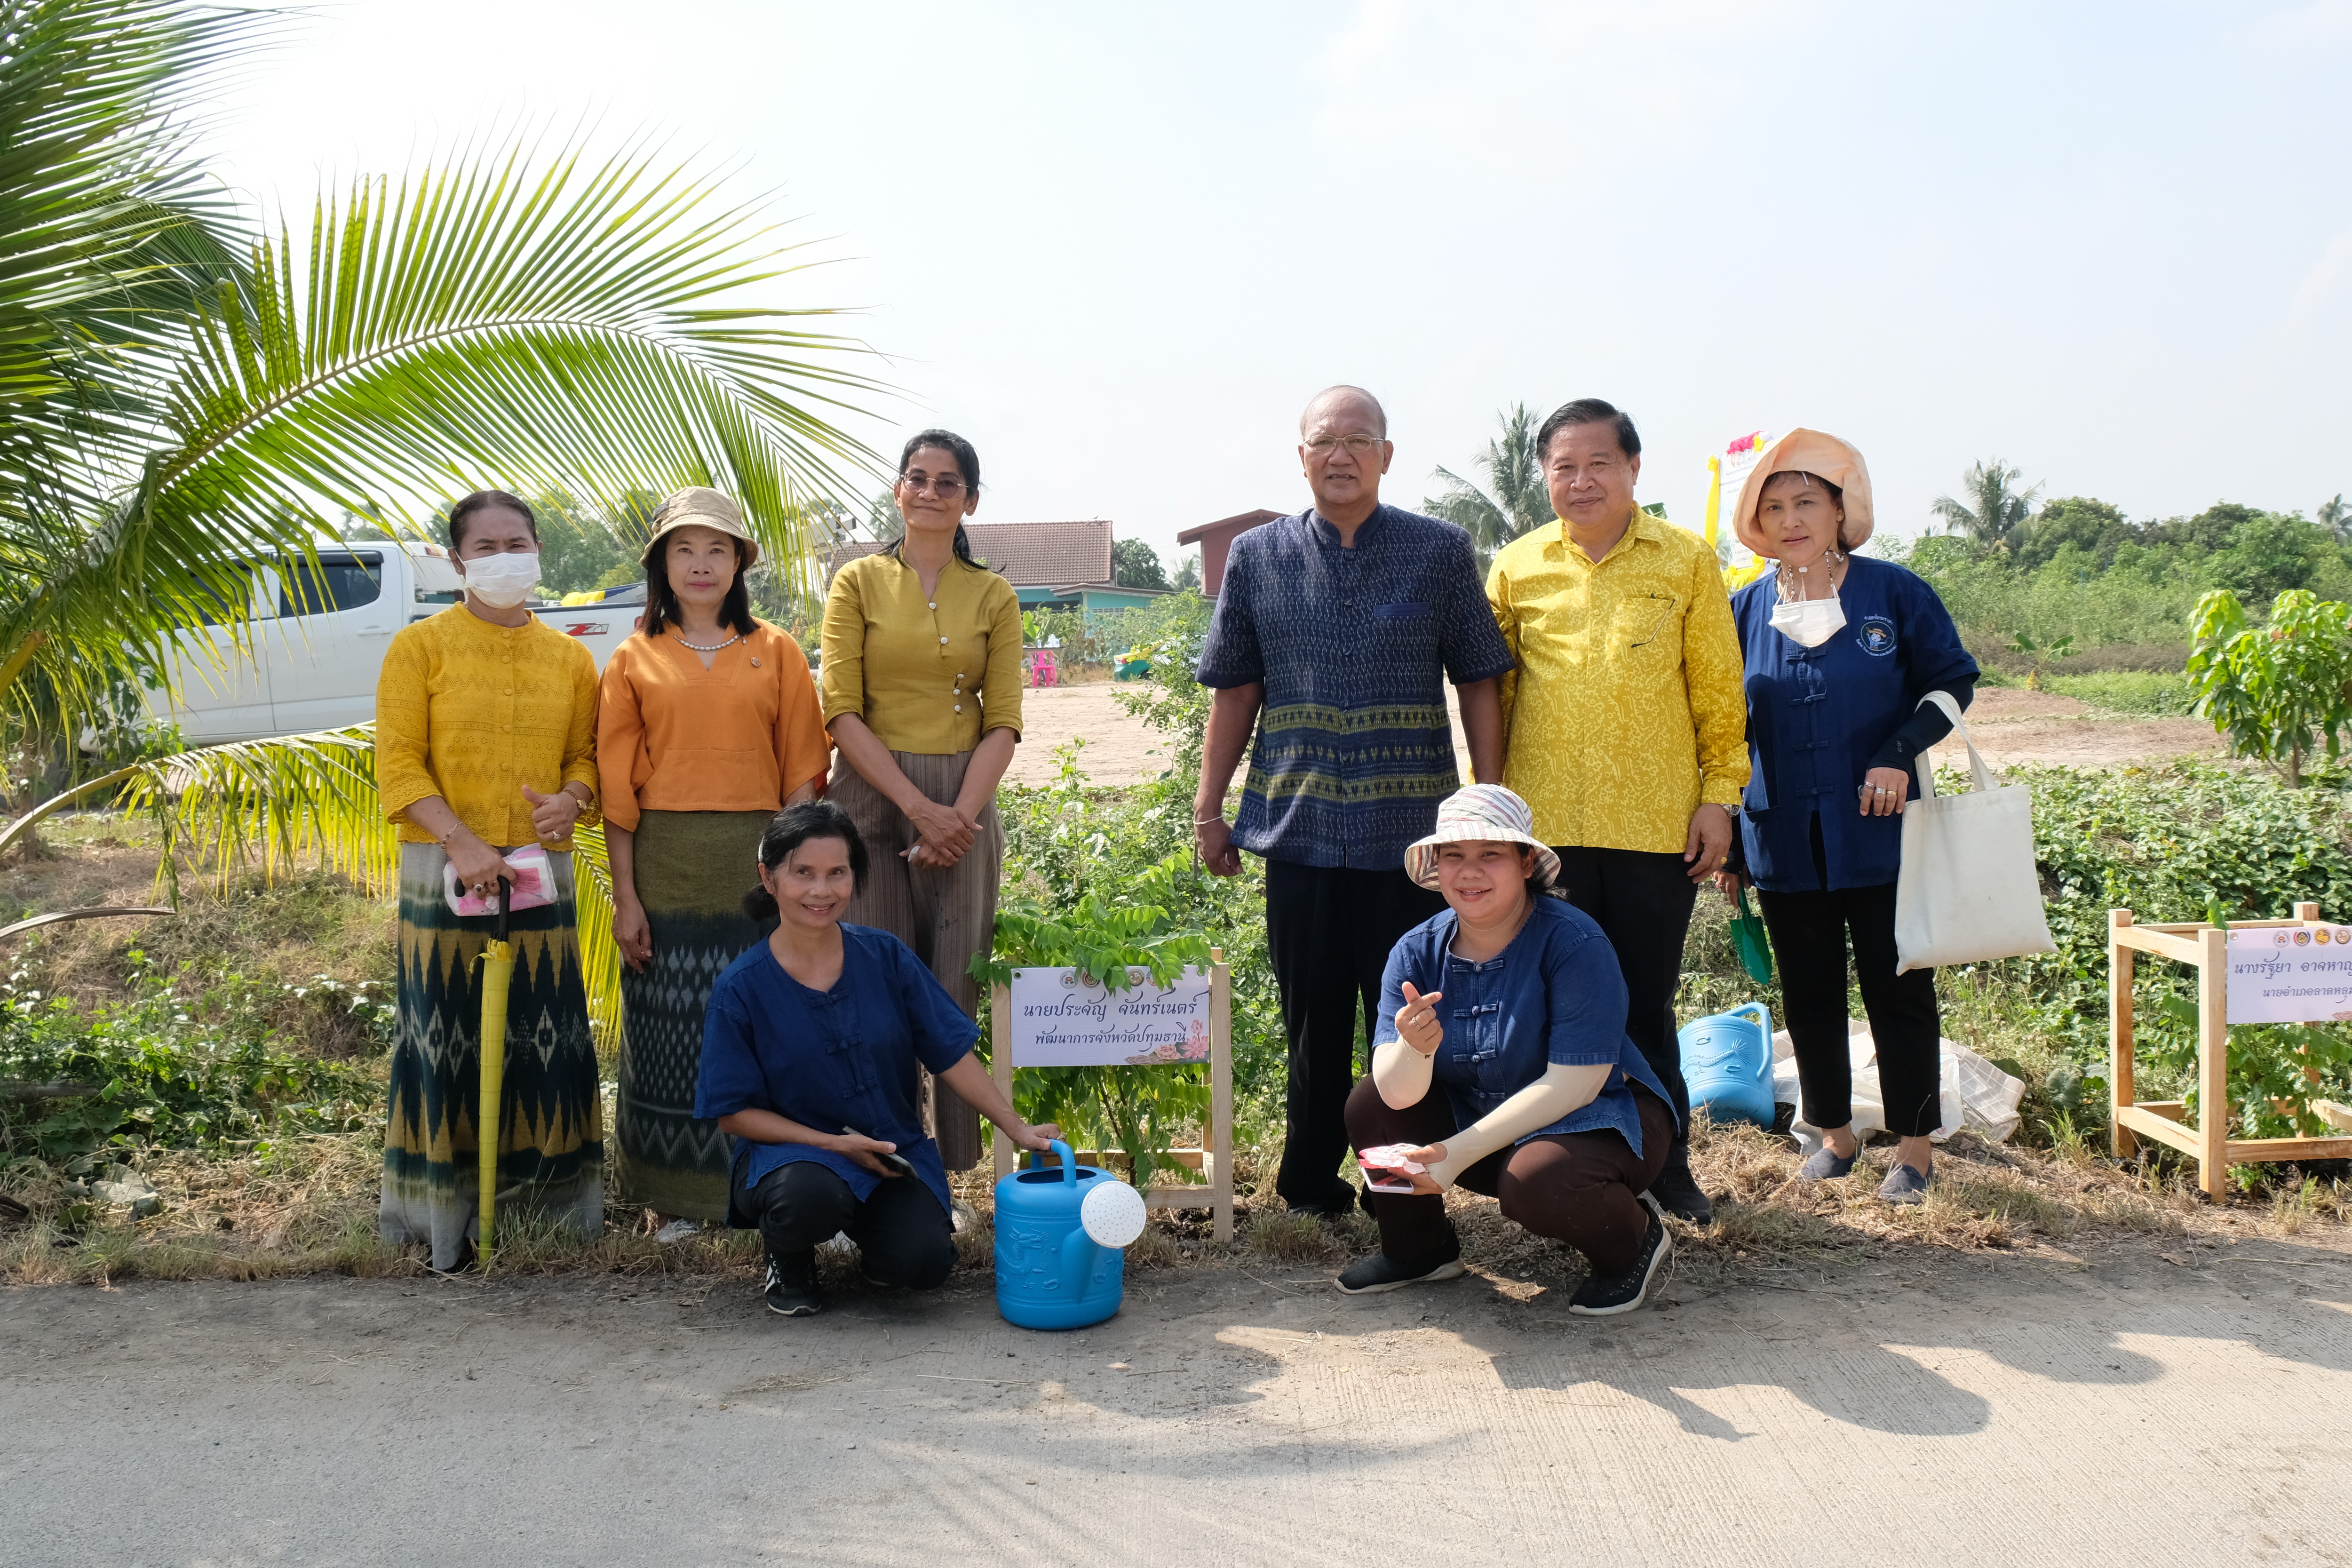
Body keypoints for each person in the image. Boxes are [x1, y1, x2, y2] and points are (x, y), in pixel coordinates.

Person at [1195, 386, 1515, 1219]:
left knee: (1405, 1017)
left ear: (1386, 454)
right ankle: (1306, 1181)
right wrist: (1209, 809)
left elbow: (1479, 676)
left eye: (1358, 440)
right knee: (1313, 1017)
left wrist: (1485, 799)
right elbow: (1234, 691)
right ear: (1300, 456)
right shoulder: (1258, 556)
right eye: (1323, 441)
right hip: (1297, 831)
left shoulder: (1439, 550)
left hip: (1410, 838)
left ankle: (1396, 1184)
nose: (1340, 454)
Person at [1484, 398, 1748, 1223]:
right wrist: (1492, 818)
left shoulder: (1686, 561)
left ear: (1634, 468)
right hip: (1546, 831)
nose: (1582, 479)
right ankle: (1555, 1166)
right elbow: (1493, 694)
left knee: (1644, 1001)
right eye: (1563, 466)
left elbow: (1716, 688)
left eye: (1599, 462)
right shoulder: (1517, 567)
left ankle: (1669, 1169)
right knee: (1556, 1005)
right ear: (1544, 478)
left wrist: (1720, 797)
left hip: (1654, 826)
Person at [1715, 430, 1979, 1204]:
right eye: (1774, 506)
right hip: (1782, 838)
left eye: (1806, 502)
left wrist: (1900, 750)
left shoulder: (1894, 594)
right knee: (1810, 992)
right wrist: (1729, 837)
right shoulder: (1742, 611)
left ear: (1839, 510)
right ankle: (1832, 1136)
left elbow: (1952, 682)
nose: (1791, 518)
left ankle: (1916, 1149)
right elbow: (1723, 728)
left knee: (1900, 988)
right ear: (1757, 522)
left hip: (1885, 838)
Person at [696, 801, 1060, 1316]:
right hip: (795, 1158)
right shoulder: (740, 989)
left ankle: (876, 1247)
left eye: (836, 873)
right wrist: (834, 1146)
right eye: (803, 873)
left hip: (891, 1152)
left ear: (854, 878)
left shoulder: (885, 956)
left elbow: (950, 1053)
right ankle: (789, 1256)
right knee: (808, 1199)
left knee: (923, 1264)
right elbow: (731, 1112)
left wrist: (1018, 1129)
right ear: (769, 877)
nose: (821, 891)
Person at [1340, 785, 1679, 1314]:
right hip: (1485, 1116)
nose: (1468, 872)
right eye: (1453, 856)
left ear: (1526, 864)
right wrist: (1416, 1050)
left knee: (1537, 1184)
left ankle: (1633, 1239)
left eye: (1489, 855)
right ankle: (1419, 1252)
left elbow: (1577, 1082)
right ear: (1436, 867)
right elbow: (1395, 1091)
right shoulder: (1414, 951)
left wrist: (1455, 1154)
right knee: (1370, 1105)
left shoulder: (1574, 943)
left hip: (1599, 1117)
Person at [374, 490, 603, 1269]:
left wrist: (571, 800)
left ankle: (550, 1208)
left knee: (544, 1030)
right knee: (445, 1031)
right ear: (456, 558)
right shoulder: (420, 647)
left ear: (540, 551)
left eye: (519, 543)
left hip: (540, 871)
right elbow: (398, 764)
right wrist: (464, 841)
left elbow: (585, 757)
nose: (505, 558)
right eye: (487, 545)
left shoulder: (571, 656)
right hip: (444, 864)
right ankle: (442, 1215)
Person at [599, 486, 832, 1223]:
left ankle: (776, 1188)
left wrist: (783, 872)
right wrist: (627, 896)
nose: (701, 565)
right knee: (666, 1025)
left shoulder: (778, 652)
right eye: (684, 550)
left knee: (766, 1021)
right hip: (664, 862)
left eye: (717, 550)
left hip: (755, 863)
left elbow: (803, 771)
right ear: (661, 565)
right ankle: (670, 1200)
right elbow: (616, 793)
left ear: (740, 564)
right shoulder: (633, 659)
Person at [820, 430, 1025, 1172]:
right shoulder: (857, 582)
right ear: (898, 491)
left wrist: (957, 816)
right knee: (875, 988)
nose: (931, 492)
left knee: (953, 989)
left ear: (970, 499)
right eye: (918, 478)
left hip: (966, 804)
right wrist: (917, 807)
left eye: (949, 482)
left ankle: (959, 1170)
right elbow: (841, 708)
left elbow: (1004, 720)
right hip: (871, 799)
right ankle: (890, 1161)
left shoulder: (994, 595)